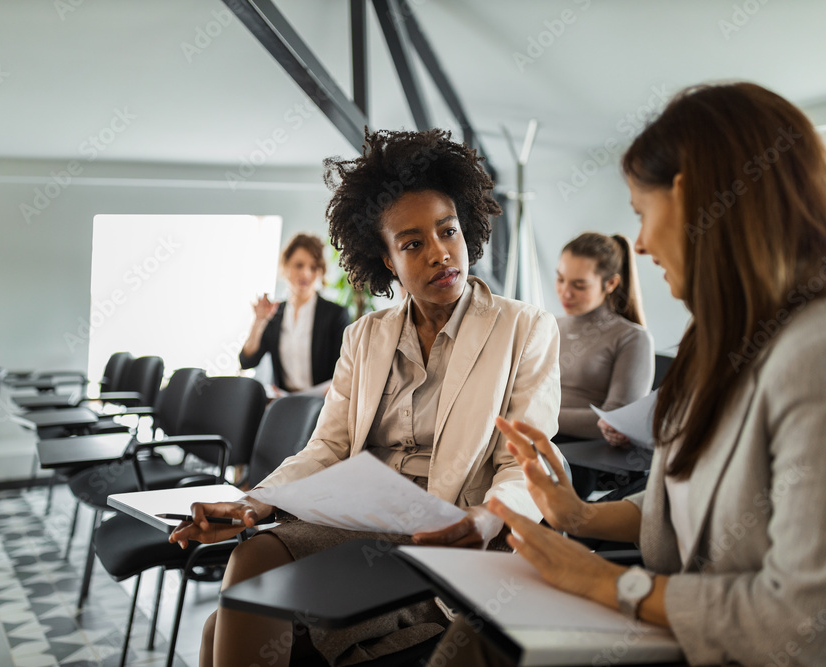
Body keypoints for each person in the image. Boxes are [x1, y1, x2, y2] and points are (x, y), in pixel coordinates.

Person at [432, 82, 826, 666]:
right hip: (682, 617)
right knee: (474, 629)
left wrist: (606, 582)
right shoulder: (716, 343)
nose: (643, 243)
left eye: (644, 214)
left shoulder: (822, 352)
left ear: (699, 199)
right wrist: (579, 515)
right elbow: (686, 498)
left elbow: (806, 625)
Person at [172, 128, 563, 667]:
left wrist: (485, 521)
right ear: (386, 260)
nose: (439, 254)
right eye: (412, 244)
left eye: (448, 231)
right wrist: (252, 502)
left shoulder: (526, 328)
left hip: (453, 532)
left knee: (224, 624)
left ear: (466, 229)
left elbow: (527, 466)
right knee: (254, 550)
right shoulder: (366, 336)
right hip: (359, 523)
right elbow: (327, 447)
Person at [555, 232, 654, 446]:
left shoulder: (632, 338)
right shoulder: (549, 325)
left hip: (581, 455)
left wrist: (531, 416)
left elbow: (615, 421)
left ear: (610, 283)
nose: (565, 292)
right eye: (561, 279)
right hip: (533, 439)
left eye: (579, 285)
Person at [239, 233, 350, 395]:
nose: (306, 273)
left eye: (313, 267)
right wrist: (259, 322)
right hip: (284, 403)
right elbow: (247, 361)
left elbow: (345, 370)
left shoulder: (336, 314)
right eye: (299, 265)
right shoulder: (274, 313)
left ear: (320, 272)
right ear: (285, 267)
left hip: (325, 404)